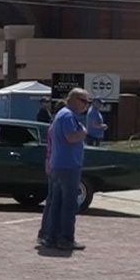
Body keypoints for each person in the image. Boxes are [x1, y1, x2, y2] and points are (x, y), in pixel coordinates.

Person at [38, 88, 90, 252]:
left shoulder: (63, 115)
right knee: (69, 205)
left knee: (56, 203)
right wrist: (83, 132)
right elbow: (71, 137)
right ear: (74, 99)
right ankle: (65, 238)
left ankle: (51, 237)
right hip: (68, 166)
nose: (86, 106)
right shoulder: (67, 115)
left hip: (58, 165)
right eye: (84, 101)